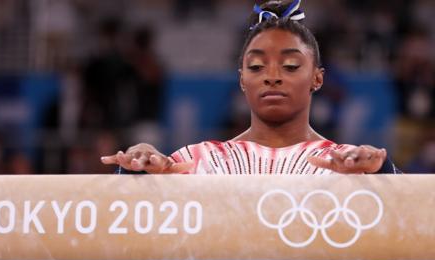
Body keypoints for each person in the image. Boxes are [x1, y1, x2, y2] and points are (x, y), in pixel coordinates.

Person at [101, 0, 399, 175]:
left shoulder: (347, 161)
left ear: (317, 78)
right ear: (242, 79)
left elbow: (415, 221)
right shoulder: (201, 161)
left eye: (291, 66)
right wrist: (135, 169)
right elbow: (136, 219)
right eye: (256, 67)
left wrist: (382, 175)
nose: (272, 77)